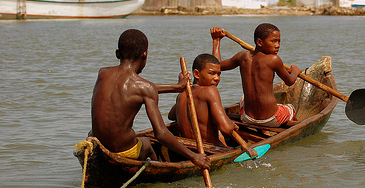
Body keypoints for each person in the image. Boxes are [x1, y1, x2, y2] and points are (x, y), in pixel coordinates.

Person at [90, 29, 210, 169]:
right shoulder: (144, 88)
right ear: (145, 54)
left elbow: (132, 88)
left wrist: (176, 87)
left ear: (117, 53)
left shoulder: (102, 74)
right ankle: (159, 176)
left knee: (91, 133)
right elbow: (161, 134)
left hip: (98, 146)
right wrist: (194, 157)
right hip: (123, 151)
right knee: (146, 144)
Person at [210, 23, 301, 128]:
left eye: (279, 41)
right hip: (270, 119)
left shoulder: (242, 56)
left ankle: (263, 131)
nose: (277, 45)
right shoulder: (274, 59)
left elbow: (217, 66)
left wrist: (216, 41)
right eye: (273, 41)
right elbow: (290, 81)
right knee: (290, 109)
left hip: (247, 118)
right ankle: (295, 130)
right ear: (259, 42)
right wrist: (295, 72)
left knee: (243, 99)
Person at [168, 54, 237, 146]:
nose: (217, 78)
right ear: (196, 74)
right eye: (211, 73)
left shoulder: (182, 95)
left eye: (219, 74)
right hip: (211, 150)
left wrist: (182, 89)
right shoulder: (210, 91)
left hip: (190, 149)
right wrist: (232, 124)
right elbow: (226, 128)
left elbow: (171, 116)